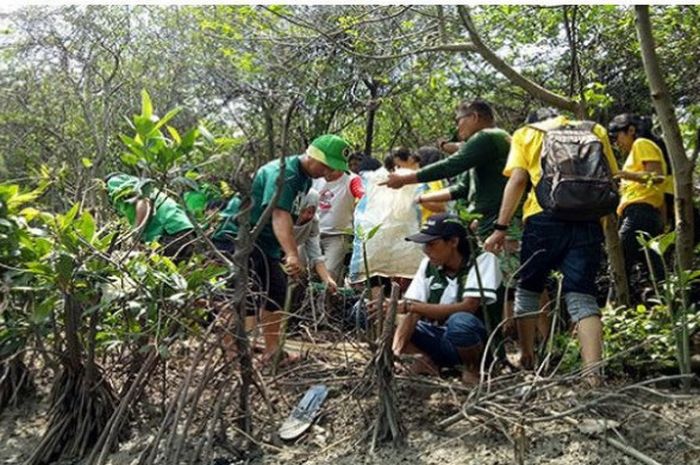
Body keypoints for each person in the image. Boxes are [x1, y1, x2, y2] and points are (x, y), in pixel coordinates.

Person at [484, 113, 619, 385]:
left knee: (529, 288)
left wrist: (500, 227)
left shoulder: (527, 133)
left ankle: (527, 359)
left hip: (542, 218)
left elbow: (518, 180)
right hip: (588, 220)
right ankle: (593, 376)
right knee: (582, 296)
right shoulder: (595, 130)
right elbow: (612, 179)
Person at [212, 134, 350, 362]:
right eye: (326, 166)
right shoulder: (286, 174)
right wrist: (292, 253)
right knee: (240, 295)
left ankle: (272, 349)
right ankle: (232, 353)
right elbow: (279, 213)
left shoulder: (305, 179)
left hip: (265, 243)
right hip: (239, 236)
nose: (327, 173)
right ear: (314, 155)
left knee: (276, 291)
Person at [370, 213, 501, 385]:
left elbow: (469, 306)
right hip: (439, 338)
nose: (426, 250)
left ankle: (474, 369)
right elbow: (412, 312)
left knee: (460, 322)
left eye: (432, 244)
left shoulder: (484, 260)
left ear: (453, 242)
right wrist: (397, 351)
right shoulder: (428, 265)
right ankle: (425, 362)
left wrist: (410, 306)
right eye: (425, 245)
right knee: (380, 316)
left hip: (478, 342)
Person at [382, 100, 511, 239]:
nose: (457, 127)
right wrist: (419, 198)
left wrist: (404, 179)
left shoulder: (487, 136)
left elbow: (450, 166)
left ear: (474, 117)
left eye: (458, 120)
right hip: (488, 222)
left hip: (503, 225)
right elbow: (462, 188)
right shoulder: (491, 142)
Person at [608, 113, 668, 289]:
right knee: (653, 264)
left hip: (639, 212)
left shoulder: (642, 144)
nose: (616, 143)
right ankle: (670, 303)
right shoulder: (637, 151)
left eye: (617, 136)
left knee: (619, 259)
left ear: (631, 130)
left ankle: (614, 307)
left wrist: (623, 174)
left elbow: (657, 177)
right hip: (645, 213)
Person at [106, 173, 195, 260]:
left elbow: (143, 201)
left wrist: (135, 234)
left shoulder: (115, 183)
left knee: (137, 260)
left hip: (171, 231)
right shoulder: (124, 199)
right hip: (182, 231)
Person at [313, 167, 364, 285]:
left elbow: (362, 194)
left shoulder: (352, 179)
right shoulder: (315, 177)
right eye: (326, 168)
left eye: (332, 169)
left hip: (338, 235)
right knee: (298, 271)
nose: (327, 173)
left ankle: (327, 303)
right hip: (312, 233)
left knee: (330, 274)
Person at [294, 189, 338, 293]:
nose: (305, 216)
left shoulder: (313, 222)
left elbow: (315, 255)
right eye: (303, 211)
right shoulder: (286, 216)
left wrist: (327, 279)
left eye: (310, 212)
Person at [391, 147, 446, 225]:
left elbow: (441, 207)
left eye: (399, 166)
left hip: (427, 228)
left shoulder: (429, 179)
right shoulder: (403, 183)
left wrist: (415, 197)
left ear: (411, 160)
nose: (397, 169)